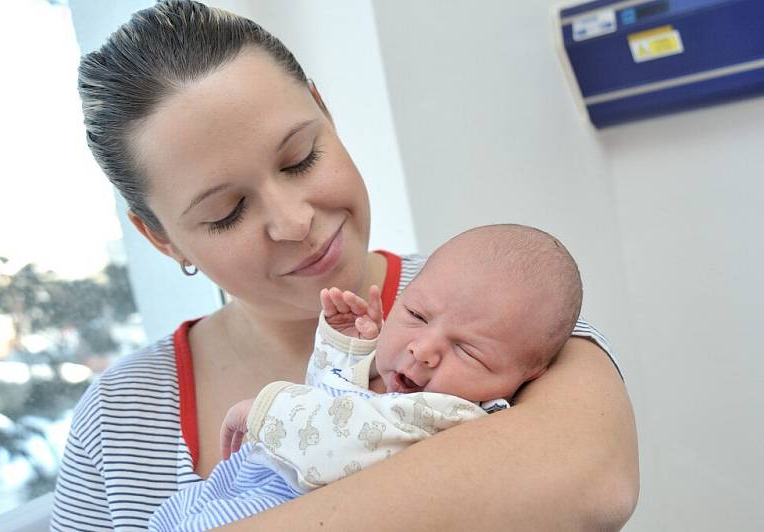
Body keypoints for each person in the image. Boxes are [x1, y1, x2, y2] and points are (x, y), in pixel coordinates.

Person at [51, 1, 639, 530]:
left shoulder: (505, 311)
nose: (294, 222)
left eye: (301, 158)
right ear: (160, 239)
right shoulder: (116, 423)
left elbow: (595, 483)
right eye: (227, 211)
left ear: (325, 112)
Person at [149, 224, 586, 531]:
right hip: (255, 486)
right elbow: (331, 397)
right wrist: (346, 350)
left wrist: (268, 409)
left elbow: (343, 440)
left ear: (529, 375)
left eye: (468, 350)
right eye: (416, 314)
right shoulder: (399, 383)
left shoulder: (455, 416)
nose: (423, 349)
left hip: (282, 501)